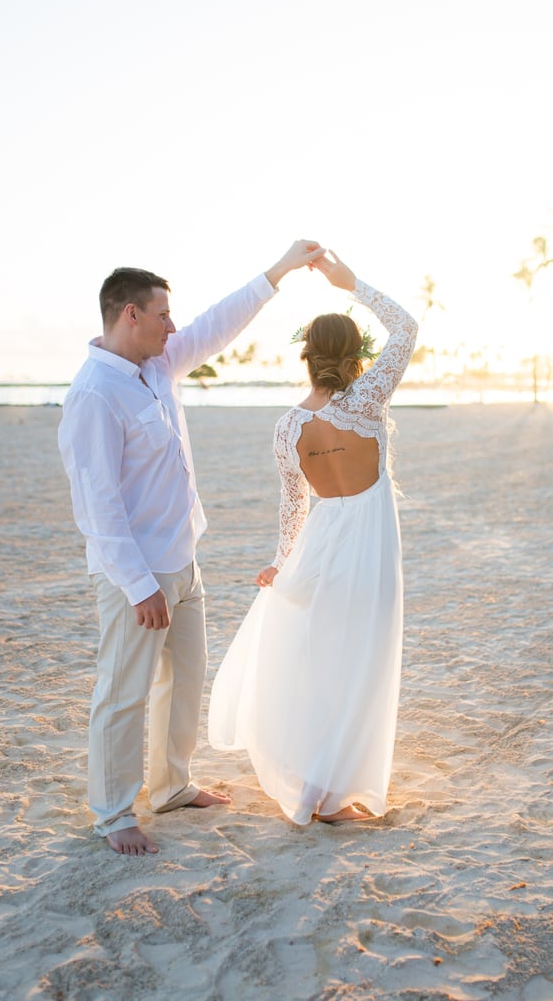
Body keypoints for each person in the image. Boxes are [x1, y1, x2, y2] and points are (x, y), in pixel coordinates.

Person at [58, 239, 324, 855]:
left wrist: (279, 270)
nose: (172, 327)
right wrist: (139, 584)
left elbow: (216, 326)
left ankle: (171, 786)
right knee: (123, 693)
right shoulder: (94, 395)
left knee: (183, 684)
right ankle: (114, 813)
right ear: (130, 315)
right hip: (139, 573)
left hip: (183, 561)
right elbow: (98, 508)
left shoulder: (157, 365)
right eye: (162, 315)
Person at [208, 250, 418, 824]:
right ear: (356, 358)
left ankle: (315, 788)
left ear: (306, 357)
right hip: (370, 550)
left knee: (325, 665)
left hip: (321, 549)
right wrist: (353, 285)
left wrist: (282, 563)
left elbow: (293, 506)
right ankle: (328, 796)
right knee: (363, 666)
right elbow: (407, 327)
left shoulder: (288, 426)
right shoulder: (369, 399)